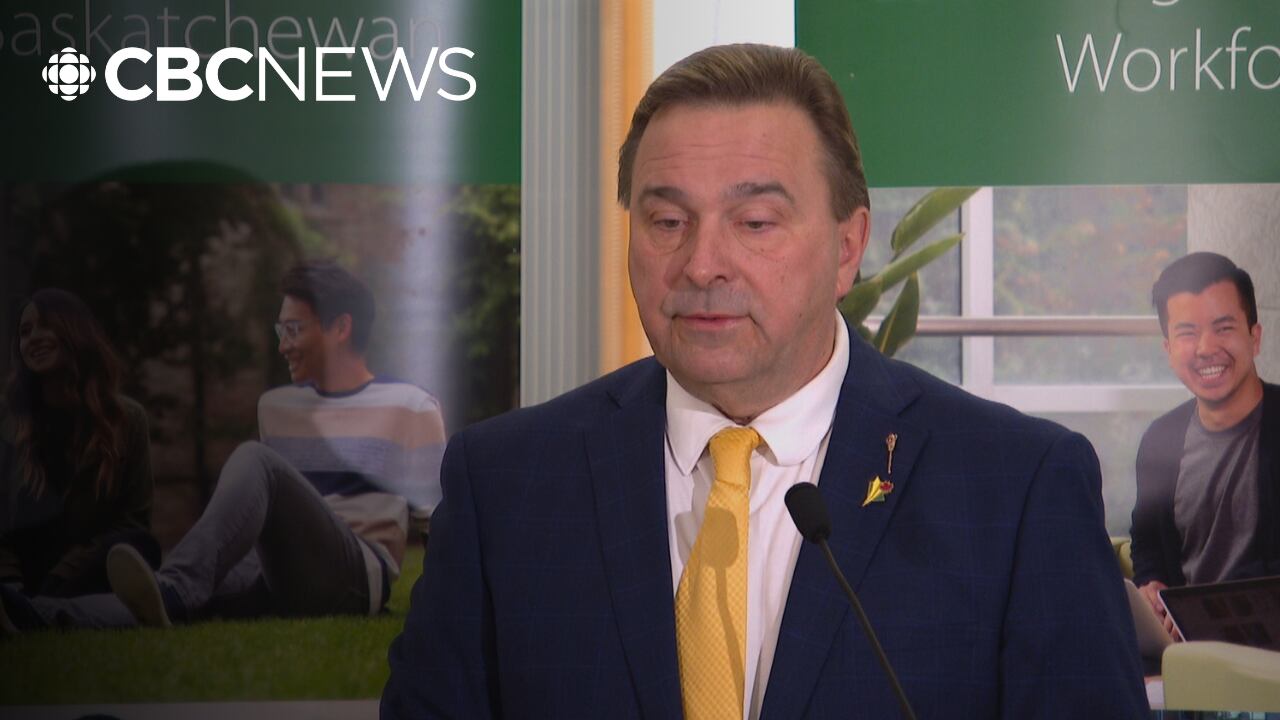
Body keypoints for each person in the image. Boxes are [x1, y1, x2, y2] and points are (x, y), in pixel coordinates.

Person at [382, 44, 1146, 718]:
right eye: (667, 222)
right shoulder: (505, 485)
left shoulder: (1017, 489)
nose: (702, 265)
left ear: (847, 247)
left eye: (753, 223)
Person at [1, 261, 446, 632]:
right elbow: (270, 515)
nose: (283, 346)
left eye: (294, 329)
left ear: (341, 327)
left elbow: (439, 524)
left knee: (253, 463)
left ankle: (175, 587)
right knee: (169, 593)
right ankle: (35, 614)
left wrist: (447, 611)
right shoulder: (277, 405)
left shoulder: (410, 406)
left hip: (352, 577)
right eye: (280, 330)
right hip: (276, 571)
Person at [1130, 252, 1277, 638]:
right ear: (1168, 350)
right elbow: (1147, 544)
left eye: (1223, 328)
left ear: (1255, 337)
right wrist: (1151, 585)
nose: (1206, 347)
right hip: (1188, 654)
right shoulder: (1160, 441)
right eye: (1187, 333)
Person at [0, 288, 157, 599]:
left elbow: (134, 522)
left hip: (85, 572)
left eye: (46, 325)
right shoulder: (7, 419)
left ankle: (50, 609)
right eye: (25, 332)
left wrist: (67, 573)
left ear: (75, 331)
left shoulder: (127, 419)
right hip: (19, 577)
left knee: (140, 545)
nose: (33, 338)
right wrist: (9, 584)